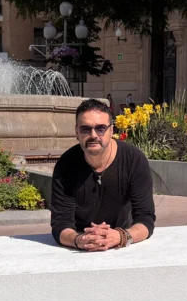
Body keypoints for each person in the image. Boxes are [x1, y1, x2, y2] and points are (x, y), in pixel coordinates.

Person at [50, 98, 156, 252]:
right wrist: (79, 240)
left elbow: (146, 219)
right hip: (81, 244)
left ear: (111, 130)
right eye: (85, 129)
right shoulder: (66, 165)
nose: (93, 135)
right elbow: (60, 224)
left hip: (124, 244)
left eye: (100, 128)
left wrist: (120, 236)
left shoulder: (133, 159)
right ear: (76, 132)